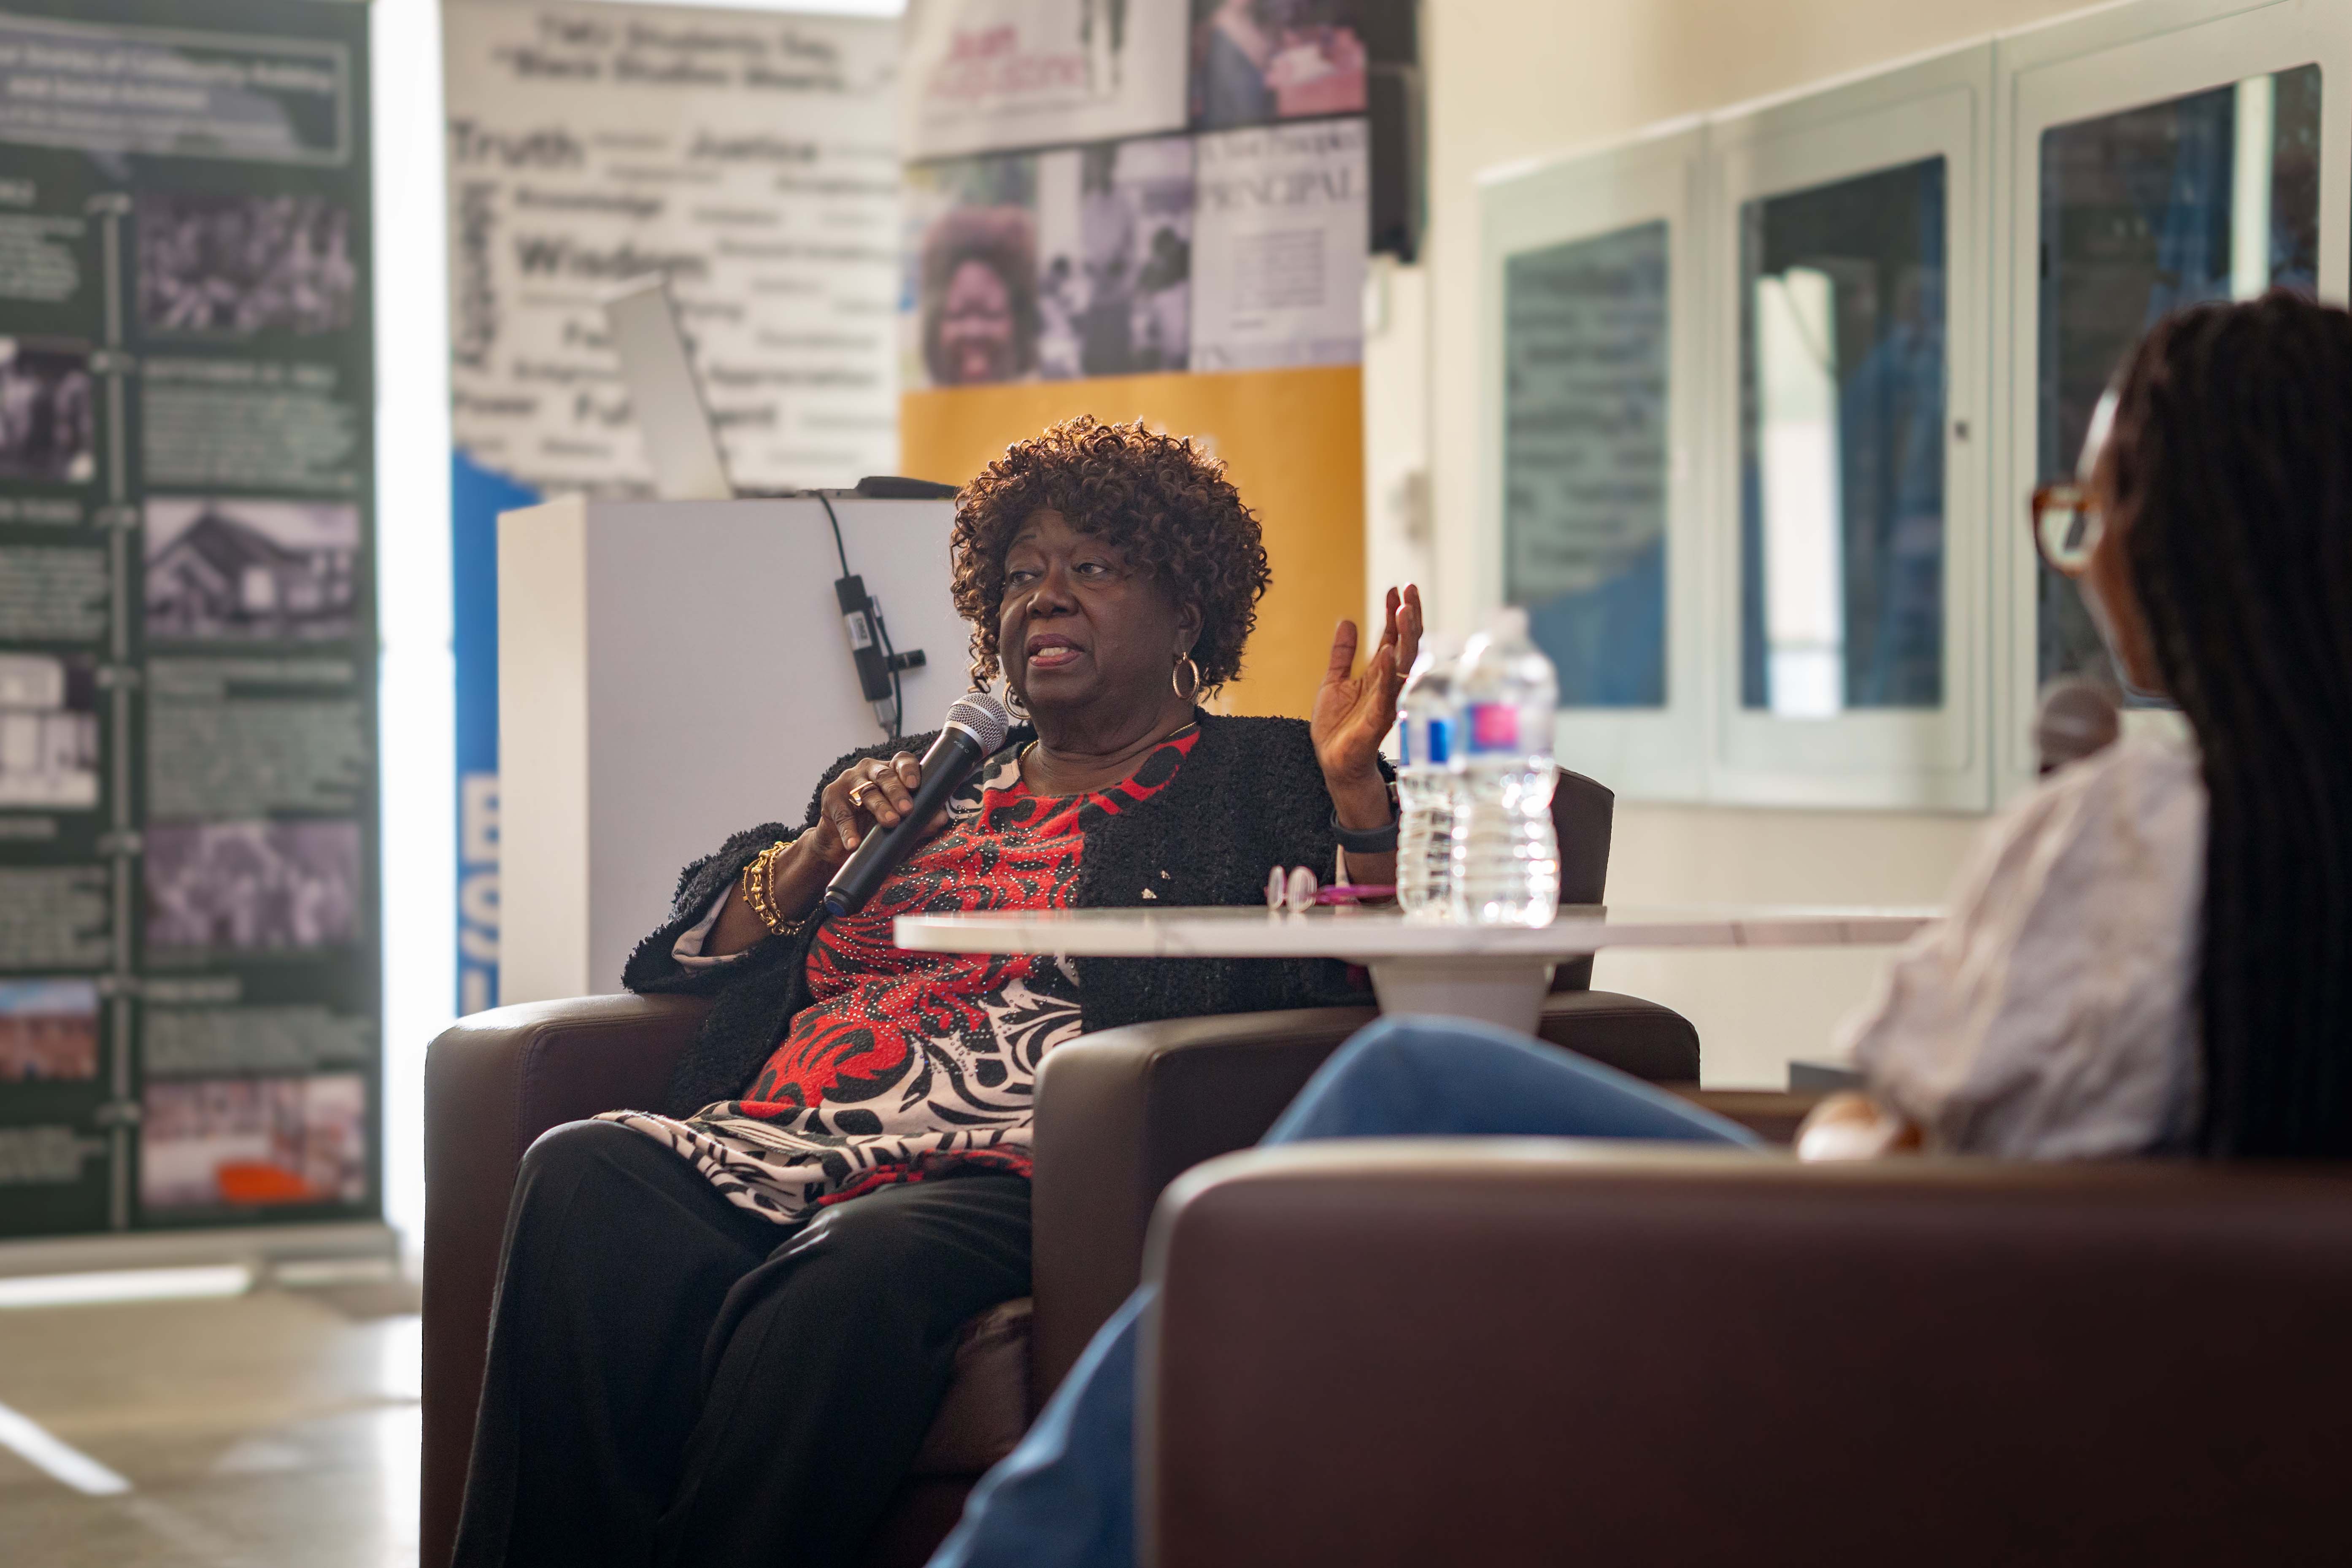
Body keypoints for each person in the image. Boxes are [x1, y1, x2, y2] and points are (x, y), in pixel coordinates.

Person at [931, 291, 2352, 1567]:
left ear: (2182, 539)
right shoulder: (2280, 819)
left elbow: (1900, 1131)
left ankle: (1016, 1553)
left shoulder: (2132, 816)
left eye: (2088, 518)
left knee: (1406, 1079)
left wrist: (1822, 1137)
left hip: (1936, 1298)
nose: (2080, 563)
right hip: (2151, 1339)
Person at [451, 415, 1427, 1568]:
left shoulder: (1264, 772)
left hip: (1018, 1157)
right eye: (1020, 576)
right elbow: (682, 952)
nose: (1044, 598)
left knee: (850, 1272)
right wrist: (814, 850)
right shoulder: (917, 777)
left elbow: (1386, 974)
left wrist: (1358, 805)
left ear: (1188, 611)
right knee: (581, 1172)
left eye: (1094, 568)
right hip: (781, 1136)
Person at [920, 206, 1040, 386]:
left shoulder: (1054, 408)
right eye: (958, 315)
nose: (974, 330)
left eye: (990, 314)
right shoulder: (909, 410)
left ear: (1020, 327)